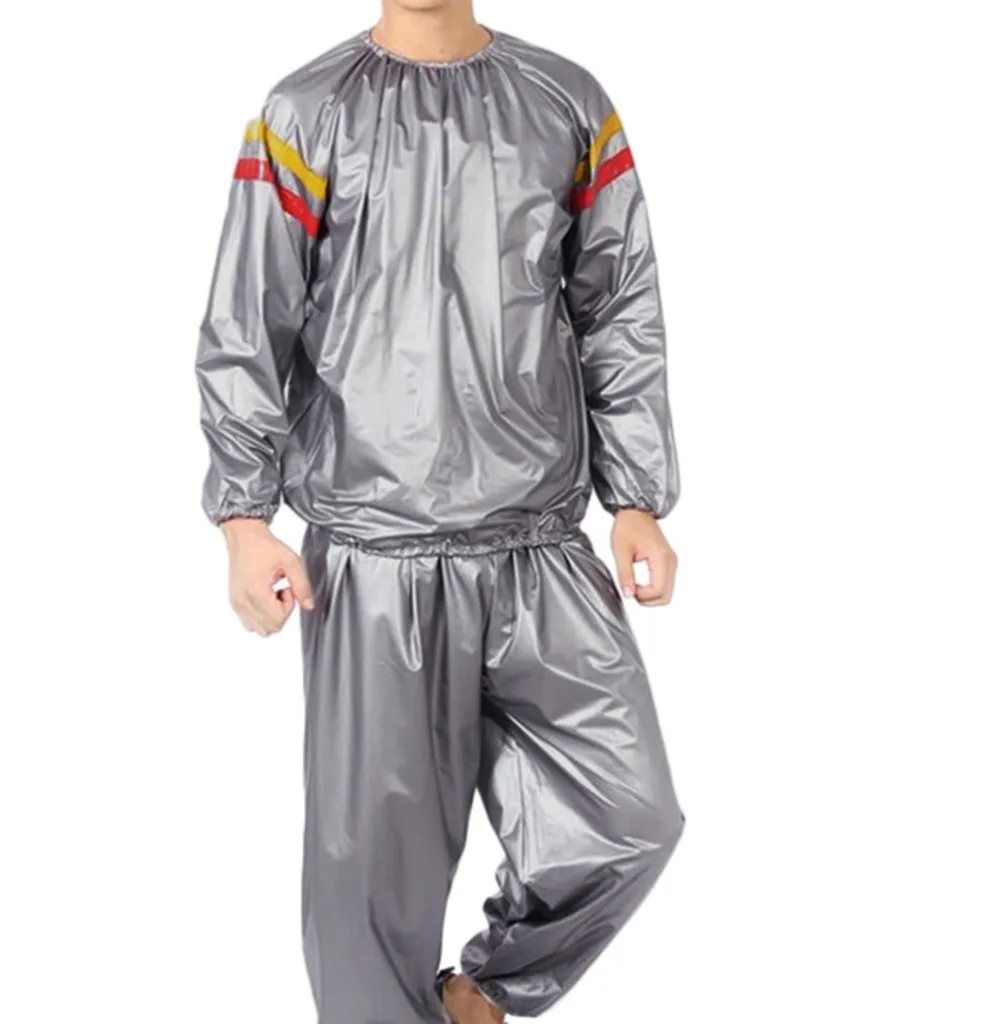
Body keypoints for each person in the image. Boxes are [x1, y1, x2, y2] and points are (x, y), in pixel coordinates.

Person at [196, 2, 684, 1022]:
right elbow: (249, 319)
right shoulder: (305, 112)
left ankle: (486, 989)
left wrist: (634, 496)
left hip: (540, 551)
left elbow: (615, 304)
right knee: (369, 880)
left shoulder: (567, 102)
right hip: (374, 558)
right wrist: (245, 517)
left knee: (630, 815)